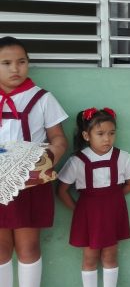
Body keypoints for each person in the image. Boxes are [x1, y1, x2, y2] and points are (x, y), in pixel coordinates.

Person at [0, 36, 69, 287]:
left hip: (29, 182)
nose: (14, 68)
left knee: (28, 246)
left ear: (29, 63)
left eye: (21, 62)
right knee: (1, 249)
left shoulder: (42, 98)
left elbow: (58, 138)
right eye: (5, 63)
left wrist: (48, 158)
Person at [57, 107, 130, 287]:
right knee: (90, 257)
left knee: (110, 255)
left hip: (112, 214)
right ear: (87, 136)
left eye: (111, 133)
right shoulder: (77, 161)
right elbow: (61, 190)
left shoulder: (122, 157)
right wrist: (79, 209)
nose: (107, 138)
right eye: (100, 133)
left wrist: (111, 198)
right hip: (88, 216)